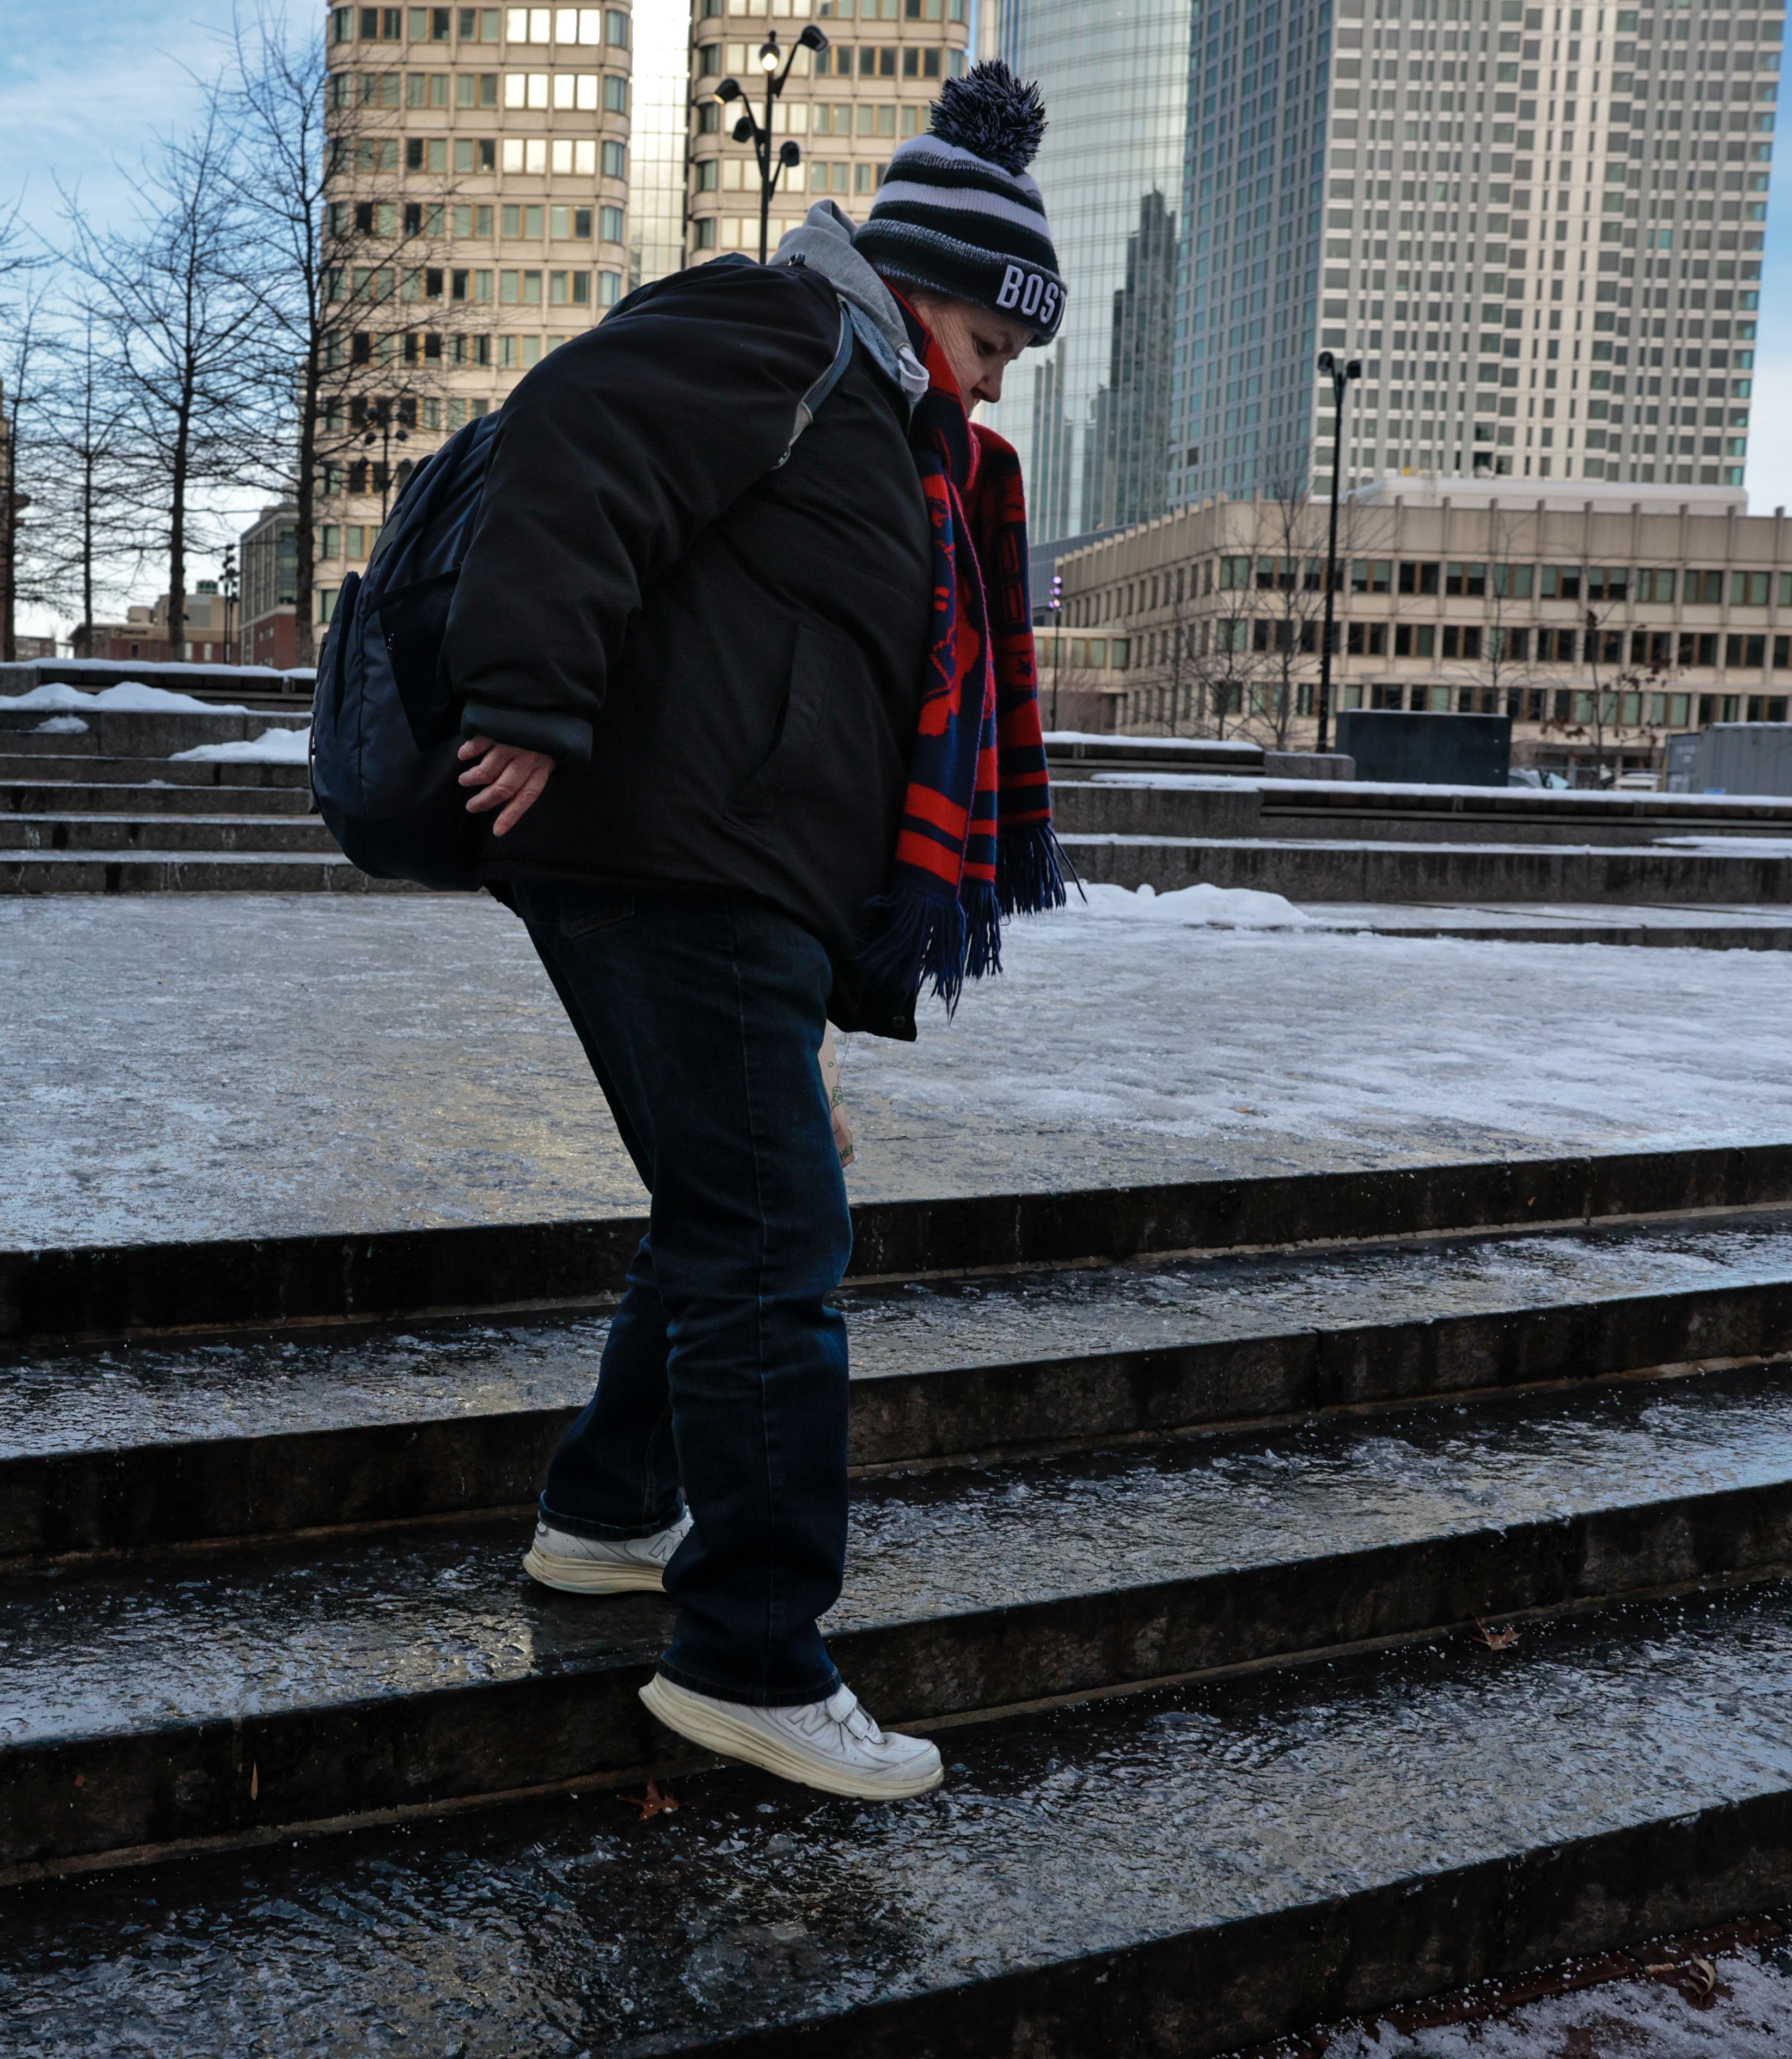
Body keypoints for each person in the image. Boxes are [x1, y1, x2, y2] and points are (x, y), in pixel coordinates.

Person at [438, 64, 1071, 1801]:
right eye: (1000, 342)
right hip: (668, 856)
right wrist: (530, 692)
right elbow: (579, 429)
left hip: (731, 879)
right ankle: (748, 1657)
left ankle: (606, 1513)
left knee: (731, 1210)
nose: (1001, 379)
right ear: (931, 284)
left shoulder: (891, 430)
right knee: (776, 1235)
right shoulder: (785, 329)